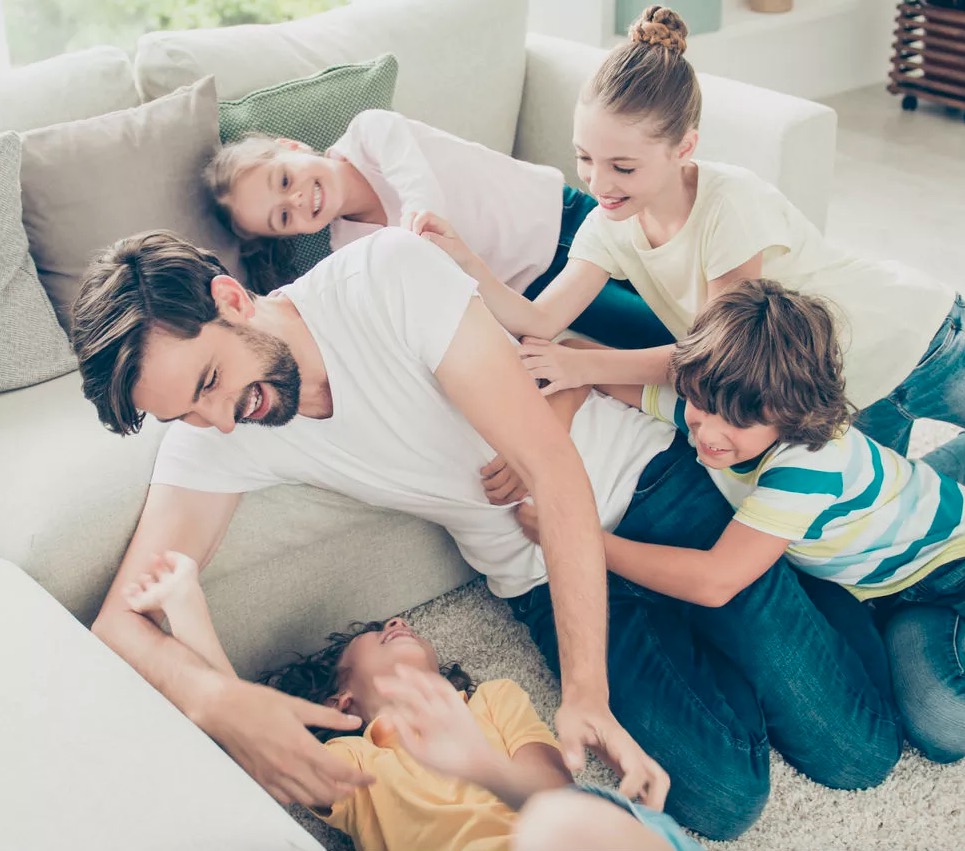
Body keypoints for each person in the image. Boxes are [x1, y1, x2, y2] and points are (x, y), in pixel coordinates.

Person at [71, 227, 901, 839]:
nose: (222, 420)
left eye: (214, 382)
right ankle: (720, 617)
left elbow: (554, 473)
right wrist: (223, 700)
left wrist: (585, 690)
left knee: (855, 753)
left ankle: (837, 566)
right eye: (189, 412)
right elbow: (120, 619)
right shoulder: (215, 433)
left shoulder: (384, 278)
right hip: (537, 572)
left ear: (229, 299)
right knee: (722, 798)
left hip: (644, 493)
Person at [410, 5, 963, 459]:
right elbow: (538, 318)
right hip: (843, 393)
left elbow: (720, 357)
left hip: (919, 338)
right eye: (585, 158)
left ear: (685, 148)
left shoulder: (731, 206)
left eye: (623, 167)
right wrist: (465, 261)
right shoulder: (611, 225)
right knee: (889, 523)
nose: (599, 183)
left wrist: (584, 363)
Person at [519, 278, 963, 764]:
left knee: (942, 724)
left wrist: (575, 535)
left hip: (946, 566)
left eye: (735, 423)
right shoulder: (724, 405)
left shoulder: (809, 462)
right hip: (880, 579)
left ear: (791, 417)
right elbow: (580, 362)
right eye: (699, 406)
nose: (707, 434)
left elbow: (715, 582)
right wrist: (550, 435)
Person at [123, 550, 702, 851]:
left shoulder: (493, 700)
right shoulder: (359, 763)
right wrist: (186, 604)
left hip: (571, 842)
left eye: (397, 622)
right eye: (377, 634)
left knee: (568, 829)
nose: (397, 621)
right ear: (345, 702)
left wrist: (476, 761)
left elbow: (555, 797)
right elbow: (253, 731)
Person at [203, 108, 673, 348]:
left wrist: (414, 235)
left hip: (559, 212)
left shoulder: (369, 133)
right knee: (661, 333)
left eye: (284, 179)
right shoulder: (350, 250)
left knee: (681, 277)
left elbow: (419, 184)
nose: (298, 199)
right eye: (282, 217)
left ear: (293, 146)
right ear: (289, 235)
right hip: (536, 288)